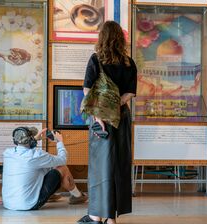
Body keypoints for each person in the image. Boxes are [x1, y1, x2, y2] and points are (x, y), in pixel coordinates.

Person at [78, 21, 137, 224]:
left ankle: (96, 216)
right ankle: (111, 218)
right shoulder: (129, 62)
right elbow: (130, 93)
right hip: (121, 117)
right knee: (119, 165)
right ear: (121, 39)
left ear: (101, 37)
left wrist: (99, 115)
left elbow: (87, 90)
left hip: (100, 120)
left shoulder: (96, 60)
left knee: (101, 167)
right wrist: (115, 105)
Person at [2, 127, 88, 211]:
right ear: (31, 139)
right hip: (29, 205)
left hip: (9, 204)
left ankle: (50, 195)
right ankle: (78, 196)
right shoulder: (36, 155)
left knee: (42, 168)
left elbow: (29, 156)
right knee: (62, 168)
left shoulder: (8, 153)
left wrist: (33, 139)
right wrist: (59, 141)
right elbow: (62, 160)